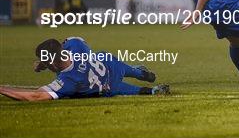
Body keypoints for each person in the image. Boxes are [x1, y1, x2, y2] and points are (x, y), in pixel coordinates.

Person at [0, 37, 169, 101]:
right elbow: (64, 47)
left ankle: (153, 91)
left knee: (139, 91)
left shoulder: (67, 81)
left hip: (108, 87)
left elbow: (35, 96)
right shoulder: (75, 44)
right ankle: (142, 73)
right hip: (108, 62)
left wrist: (2, 89)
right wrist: (44, 64)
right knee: (138, 73)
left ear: (51, 63)